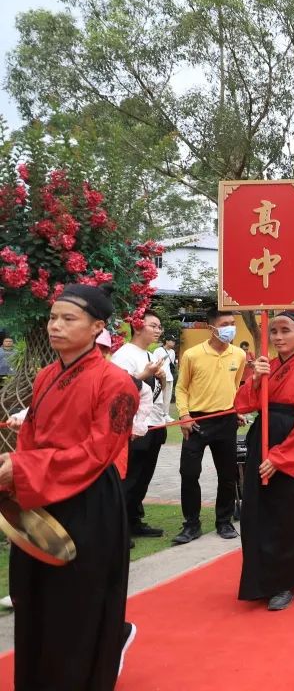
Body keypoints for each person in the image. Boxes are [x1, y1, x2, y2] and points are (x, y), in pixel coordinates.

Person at [2, 284, 140, 689]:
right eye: (52, 318)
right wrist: (16, 473)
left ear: (98, 326)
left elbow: (98, 452)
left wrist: (22, 469)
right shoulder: (46, 375)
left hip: (89, 500)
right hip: (38, 491)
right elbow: (30, 434)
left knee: (76, 602)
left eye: (69, 318)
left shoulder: (117, 384)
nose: (55, 326)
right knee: (34, 595)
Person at [233, 312, 294, 610]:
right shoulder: (266, 367)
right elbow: (243, 404)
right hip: (261, 440)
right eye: (273, 331)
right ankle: (260, 578)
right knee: (257, 513)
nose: (278, 337)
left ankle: (285, 582)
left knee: (288, 515)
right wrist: (256, 379)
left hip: (292, 450)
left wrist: (280, 457)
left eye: (285, 331)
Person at [174, 309, 247, 544]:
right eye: (225, 324)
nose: (230, 328)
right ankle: (191, 525)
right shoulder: (192, 355)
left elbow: (236, 387)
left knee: (227, 475)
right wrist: (184, 416)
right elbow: (181, 388)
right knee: (189, 473)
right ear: (211, 327)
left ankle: (224, 522)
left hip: (226, 421)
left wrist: (236, 410)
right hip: (196, 421)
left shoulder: (239, 355)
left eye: (232, 323)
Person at [110, 310, 170, 538]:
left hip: (154, 424)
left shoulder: (148, 354)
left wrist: (161, 379)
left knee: (143, 478)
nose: (158, 330)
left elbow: (154, 392)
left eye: (159, 326)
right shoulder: (124, 355)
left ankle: (133, 521)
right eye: (153, 325)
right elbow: (119, 391)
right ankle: (119, 528)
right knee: (130, 478)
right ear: (137, 327)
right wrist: (144, 374)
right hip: (134, 428)